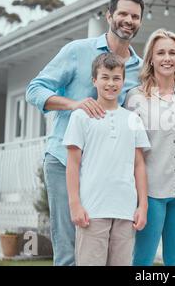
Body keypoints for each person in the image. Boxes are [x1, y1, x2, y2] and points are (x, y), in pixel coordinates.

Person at [26, 0, 175, 266]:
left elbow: (163, 88)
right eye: (123, 14)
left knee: (109, 253)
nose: (128, 20)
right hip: (64, 160)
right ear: (109, 16)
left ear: (140, 22)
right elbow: (34, 90)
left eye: (134, 16)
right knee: (69, 250)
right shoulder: (77, 51)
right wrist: (74, 105)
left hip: (107, 176)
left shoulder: (140, 69)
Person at [63, 53, 150, 266]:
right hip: (92, 211)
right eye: (105, 77)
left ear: (123, 81)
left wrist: (143, 206)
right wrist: (75, 204)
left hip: (125, 210)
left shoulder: (132, 119)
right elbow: (73, 163)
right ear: (95, 80)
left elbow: (139, 165)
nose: (111, 83)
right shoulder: (81, 116)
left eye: (116, 78)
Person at [125, 29, 175, 266]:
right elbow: (129, 150)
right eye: (161, 52)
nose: (167, 58)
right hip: (150, 192)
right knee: (142, 260)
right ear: (151, 58)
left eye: (172, 53)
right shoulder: (135, 98)